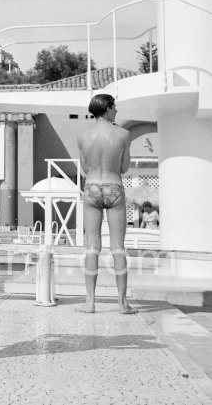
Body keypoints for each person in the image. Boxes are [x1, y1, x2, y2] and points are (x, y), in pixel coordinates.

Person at [76, 93, 137, 314]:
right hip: (113, 186)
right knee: (118, 248)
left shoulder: (83, 136)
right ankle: (122, 304)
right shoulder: (123, 134)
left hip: (91, 188)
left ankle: (90, 303)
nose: (117, 111)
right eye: (115, 107)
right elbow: (123, 168)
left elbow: (84, 168)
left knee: (92, 247)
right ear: (108, 108)